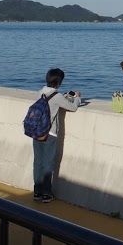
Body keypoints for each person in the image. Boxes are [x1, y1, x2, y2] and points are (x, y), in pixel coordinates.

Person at [32, 68, 80, 203]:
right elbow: (73, 108)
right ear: (59, 82)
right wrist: (77, 98)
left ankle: (37, 192)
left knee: (38, 162)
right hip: (50, 134)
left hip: (36, 133)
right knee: (48, 164)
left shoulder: (39, 93)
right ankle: (47, 194)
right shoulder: (57, 96)